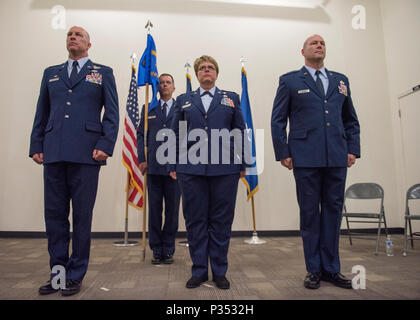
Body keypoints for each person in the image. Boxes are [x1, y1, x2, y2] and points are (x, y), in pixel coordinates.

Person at [29, 26, 119, 296]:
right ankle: (57, 275)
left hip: (86, 154)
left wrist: (105, 145)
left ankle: (75, 275)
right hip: (53, 152)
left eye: (79, 34)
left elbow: (112, 114)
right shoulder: (51, 73)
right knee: (54, 217)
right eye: (69, 34)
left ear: (89, 44)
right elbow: (41, 112)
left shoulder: (102, 72)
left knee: (82, 217)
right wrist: (36, 145)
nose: (73, 37)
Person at [271, 35, 360, 290]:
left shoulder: (340, 81)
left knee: (332, 213)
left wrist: (352, 148)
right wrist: (283, 152)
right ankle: (313, 269)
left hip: (336, 156)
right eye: (313, 43)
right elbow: (278, 120)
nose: (319, 45)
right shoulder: (289, 80)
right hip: (305, 156)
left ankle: (331, 269)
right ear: (303, 51)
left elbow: (350, 119)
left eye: (322, 43)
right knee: (310, 214)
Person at [169, 55, 247, 290]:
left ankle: (220, 271)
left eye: (210, 68)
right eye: (202, 68)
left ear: (216, 73)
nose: (206, 71)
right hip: (191, 170)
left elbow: (240, 131)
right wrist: (173, 164)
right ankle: (200, 270)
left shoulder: (231, 98)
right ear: (196, 73)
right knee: (195, 221)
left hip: (225, 170)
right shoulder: (183, 100)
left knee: (221, 221)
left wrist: (243, 163)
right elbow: (175, 133)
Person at [137, 74, 181, 265]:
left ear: (174, 87)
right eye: (161, 83)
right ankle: (156, 248)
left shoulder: (182, 107)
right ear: (157, 87)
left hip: (175, 168)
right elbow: (141, 135)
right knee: (154, 210)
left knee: (172, 210)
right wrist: (142, 158)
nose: (164, 85)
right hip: (153, 167)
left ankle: (168, 248)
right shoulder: (148, 108)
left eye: (168, 82)